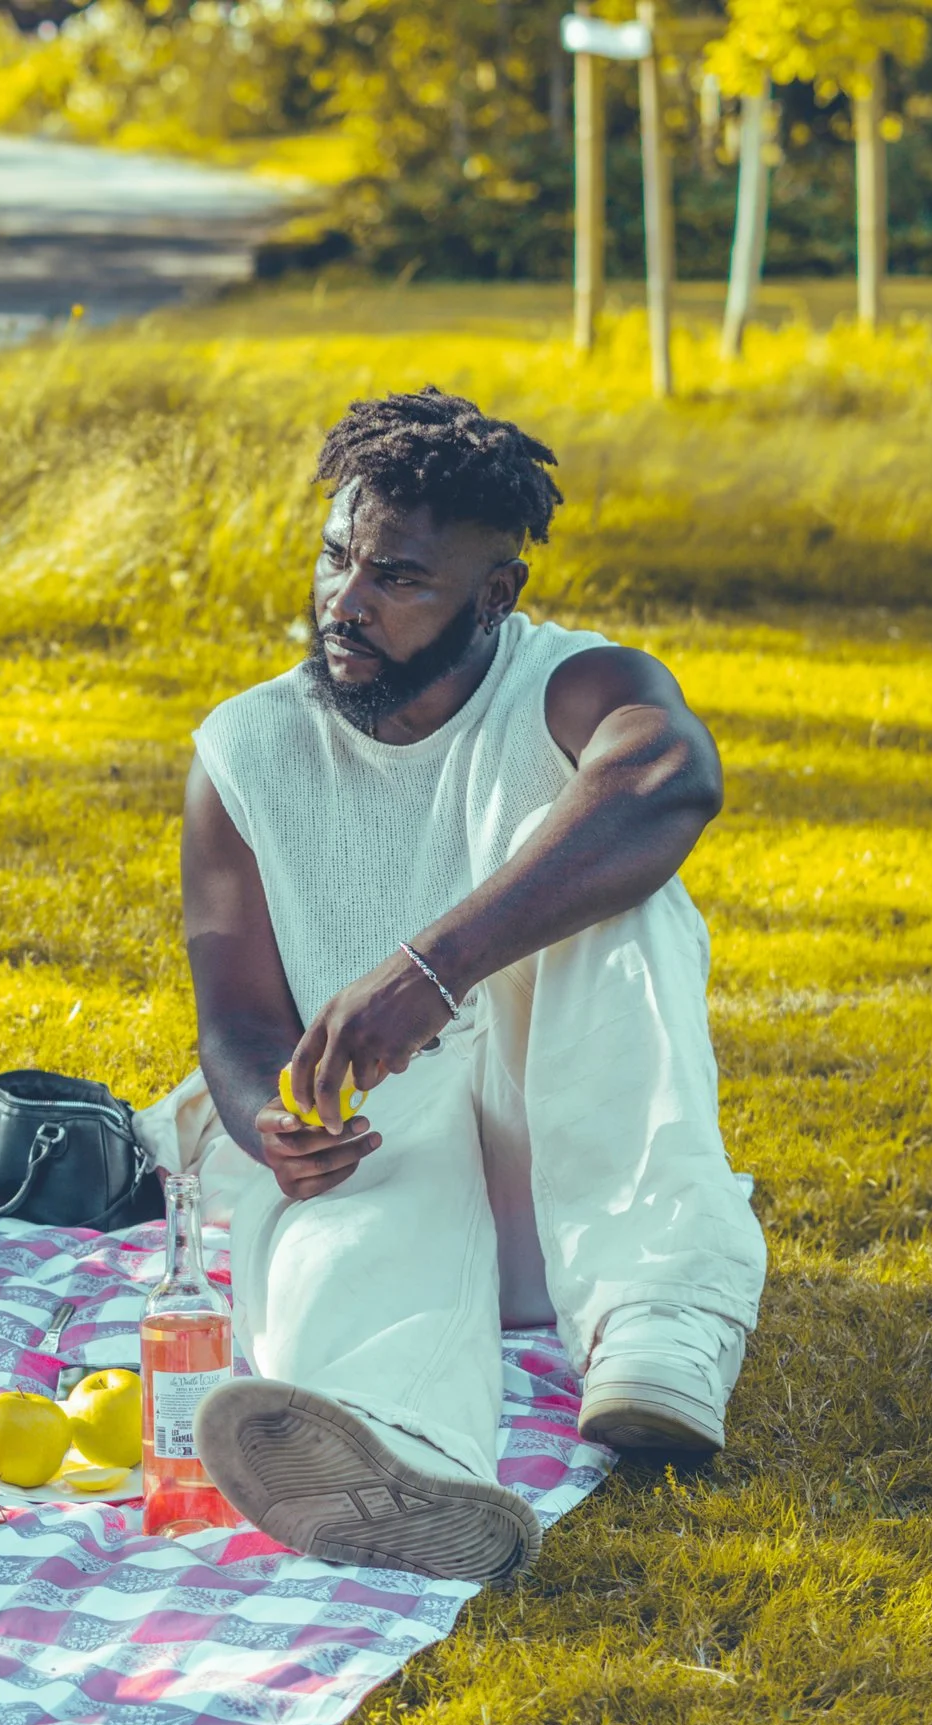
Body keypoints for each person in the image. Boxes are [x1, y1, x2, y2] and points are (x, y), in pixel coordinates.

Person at [138, 389, 768, 1582]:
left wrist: (431, 972)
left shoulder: (571, 685)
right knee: (355, 1187)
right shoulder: (244, 749)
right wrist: (269, 1126)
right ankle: (401, 1449)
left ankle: (661, 1325)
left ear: (494, 596)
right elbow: (238, 1023)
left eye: (398, 579)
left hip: (564, 1183)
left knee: (620, 884)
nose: (346, 601)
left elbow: (670, 777)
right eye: (337, 557)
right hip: (391, 1173)